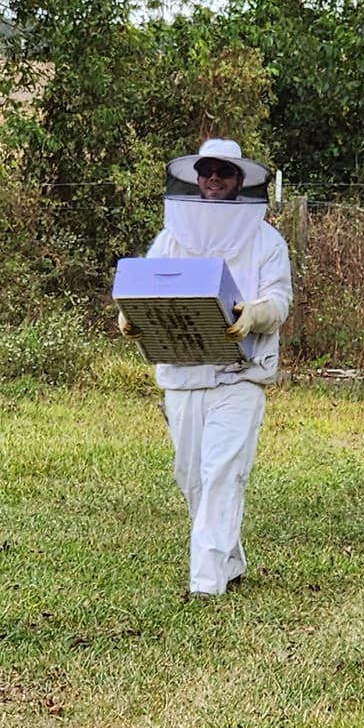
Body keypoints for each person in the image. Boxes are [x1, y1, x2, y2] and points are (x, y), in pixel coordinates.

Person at [118, 138, 293, 598]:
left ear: (241, 181)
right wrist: (131, 316)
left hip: (241, 375)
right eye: (206, 170)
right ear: (195, 177)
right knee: (192, 476)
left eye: (224, 171)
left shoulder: (266, 240)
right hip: (181, 374)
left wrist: (252, 314)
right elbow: (146, 286)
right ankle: (229, 561)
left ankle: (207, 583)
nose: (213, 178)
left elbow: (279, 301)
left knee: (222, 473)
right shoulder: (172, 237)